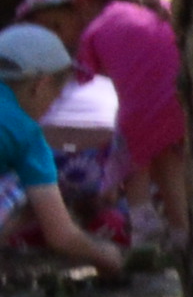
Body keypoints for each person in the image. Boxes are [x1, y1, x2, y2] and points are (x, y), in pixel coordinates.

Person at [18, 0, 180, 258]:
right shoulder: (149, 13)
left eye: (57, 26)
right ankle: (182, 229)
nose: (60, 38)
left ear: (82, 5)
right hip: (181, 103)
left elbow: (79, 80)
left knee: (134, 147)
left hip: (142, 113)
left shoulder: (95, 33)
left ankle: (143, 225)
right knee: (167, 159)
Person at [0, 24, 127, 277]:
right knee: (22, 186)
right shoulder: (28, 135)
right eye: (56, 94)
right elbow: (61, 236)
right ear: (40, 85)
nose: (52, 106)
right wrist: (108, 255)